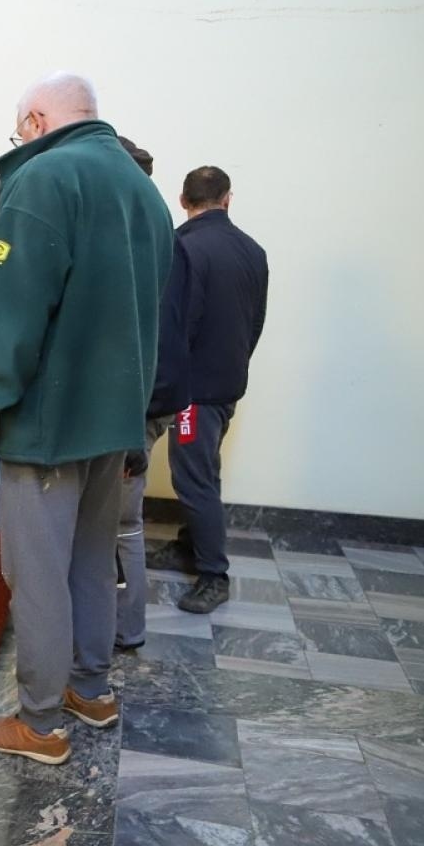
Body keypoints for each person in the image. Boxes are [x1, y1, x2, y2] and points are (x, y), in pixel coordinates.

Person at [0, 73, 172, 765]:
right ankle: (91, 688)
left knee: (36, 570)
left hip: (48, 421)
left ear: (39, 119)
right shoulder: (144, 191)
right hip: (114, 422)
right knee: (89, 558)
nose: (20, 143)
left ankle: (41, 722)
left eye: (21, 131)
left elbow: (11, 299)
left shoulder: (46, 177)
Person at [169, 166, 269, 614]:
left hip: (193, 390)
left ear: (182, 199)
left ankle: (213, 574)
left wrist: (166, 383)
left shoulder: (183, 247)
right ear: (228, 199)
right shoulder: (253, 249)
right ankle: (190, 546)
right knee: (204, 469)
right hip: (228, 383)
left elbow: (178, 324)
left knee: (194, 478)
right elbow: (256, 321)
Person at [113, 137, 192, 651]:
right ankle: (118, 625)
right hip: (159, 398)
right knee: (121, 525)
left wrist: (130, 431)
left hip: (138, 406)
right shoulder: (163, 227)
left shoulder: (138, 234)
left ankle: (124, 629)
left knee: (121, 526)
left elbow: (143, 338)